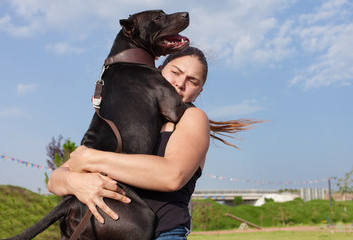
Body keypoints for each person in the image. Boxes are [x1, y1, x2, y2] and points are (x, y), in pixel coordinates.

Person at [48, 47, 259, 239]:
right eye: (175, 72)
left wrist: (91, 158)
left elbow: (171, 175)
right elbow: (56, 179)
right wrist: (75, 182)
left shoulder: (192, 118)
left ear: (199, 91)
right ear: (158, 71)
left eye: (192, 81)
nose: (180, 83)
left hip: (161, 234)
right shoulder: (127, 114)